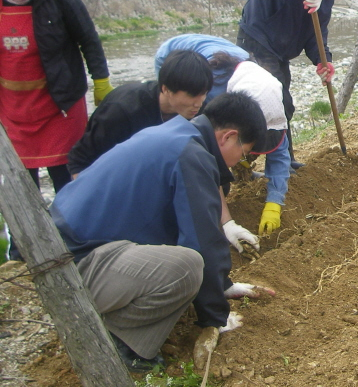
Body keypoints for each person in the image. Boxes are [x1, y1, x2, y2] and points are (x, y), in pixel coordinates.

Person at [50, 92, 269, 372]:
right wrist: (216, 317)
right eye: (244, 152)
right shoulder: (192, 156)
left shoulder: (176, 134)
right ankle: (119, 339)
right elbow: (200, 242)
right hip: (74, 266)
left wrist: (222, 285)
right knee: (188, 267)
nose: (239, 161)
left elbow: (190, 223)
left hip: (67, 246)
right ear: (228, 137)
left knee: (186, 265)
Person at [236, 0, 358, 169]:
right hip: (257, 40)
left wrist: (323, 60)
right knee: (272, 103)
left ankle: (274, 159)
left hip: (278, 52)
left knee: (284, 106)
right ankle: (252, 160)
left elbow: (316, 33)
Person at [0, 0, 113, 194]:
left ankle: (70, 231)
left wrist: (101, 81)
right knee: (21, 180)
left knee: (65, 175)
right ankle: (25, 234)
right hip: (12, 108)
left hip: (59, 105)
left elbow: (89, 40)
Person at [155, 35, 293, 238]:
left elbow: (280, 154)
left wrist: (274, 201)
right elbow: (206, 142)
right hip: (170, 57)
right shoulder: (211, 94)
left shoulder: (271, 101)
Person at [68, 49, 213, 177]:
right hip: (112, 176)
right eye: (192, 95)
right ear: (166, 89)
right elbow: (80, 161)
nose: (198, 103)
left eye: (204, 93)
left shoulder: (198, 112)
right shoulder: (122, 111)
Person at [154, 33, 250, 101]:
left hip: (200, 42)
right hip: (168, 53)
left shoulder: (252, 68)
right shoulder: (217, 85)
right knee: (173, 101)